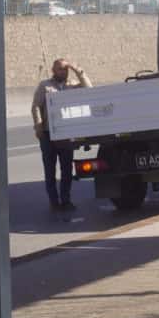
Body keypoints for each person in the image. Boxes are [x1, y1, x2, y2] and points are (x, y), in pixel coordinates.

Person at [31, 58, 92, 211]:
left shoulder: (72, 86)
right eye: (60, 69)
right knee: (50, 170)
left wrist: (77, 70)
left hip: (66, 135)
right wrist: (38, 126)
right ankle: (54, 202)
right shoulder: (44, 86)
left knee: (66, 170)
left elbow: (89, 89)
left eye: (65, 69)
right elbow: (36, 106)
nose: (63, 72)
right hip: (48, 134)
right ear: (53, 70)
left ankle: (66, 200)